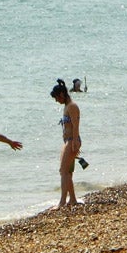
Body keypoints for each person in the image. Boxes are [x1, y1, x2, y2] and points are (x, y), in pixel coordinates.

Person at [51, 79, 81, 209]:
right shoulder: (66, 107)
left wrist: (74, 142)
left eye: (57, 98)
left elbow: (75, 125)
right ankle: (72, 199)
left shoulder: (72, 107)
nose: (56, 100)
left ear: (62, 95)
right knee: (67, 171)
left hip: (72, 141)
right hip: (68, 141)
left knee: (63, 171)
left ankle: (62, 201)